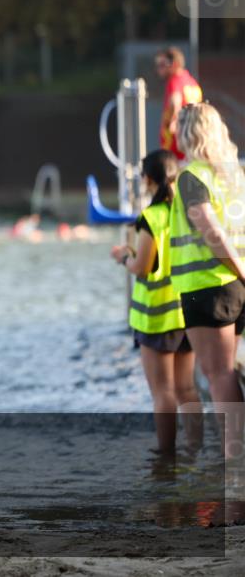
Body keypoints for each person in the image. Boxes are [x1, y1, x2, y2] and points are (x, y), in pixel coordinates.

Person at [110, 150, 201, 454]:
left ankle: (166, 455)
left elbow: (143, 266)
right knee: (187, 388)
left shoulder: (152, 217)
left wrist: (124, 255)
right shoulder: (187, 213)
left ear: (148, 179)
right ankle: (195, 448)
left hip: (157, 318)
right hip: (186, 313)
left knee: (162, 391)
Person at [168, 103, 245, 457]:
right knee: (229, 371)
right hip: (234, 286)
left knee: (219, 375)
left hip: (208, 287)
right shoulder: (233, 175)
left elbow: (211, 232)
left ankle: (236, 462)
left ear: (187, 134)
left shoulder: (191, 176)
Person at [155, 47, 203, 159]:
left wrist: (173, 122)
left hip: (175, 142)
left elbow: (175, 102)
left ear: (174, 64)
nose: (158, 69)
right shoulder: (191, 82)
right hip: (191, 138)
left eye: (162, 64)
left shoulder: (174, 81)